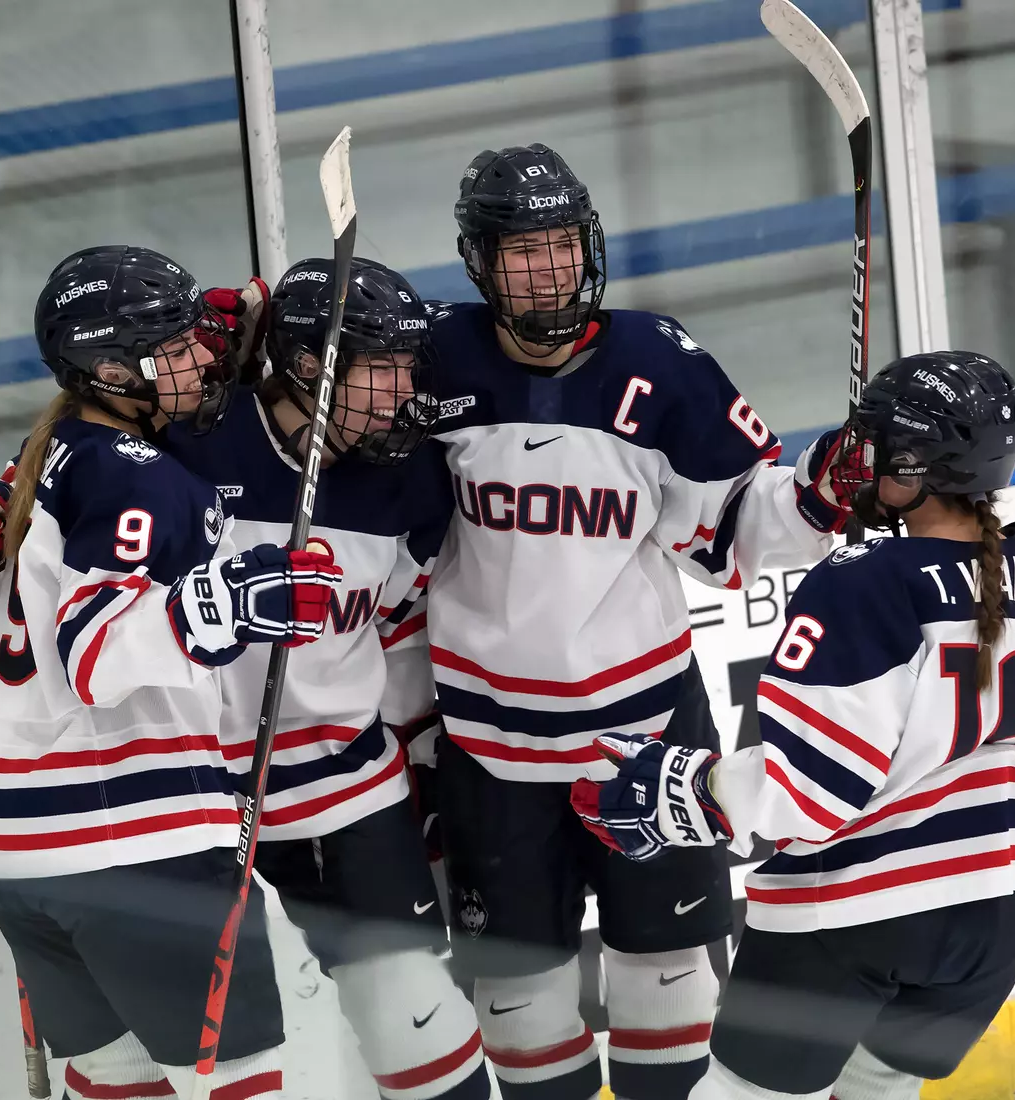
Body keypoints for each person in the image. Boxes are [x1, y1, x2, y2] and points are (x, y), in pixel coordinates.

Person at [0, 254, 489, 1100]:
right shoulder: (189, 431)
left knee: (412, 1020)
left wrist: (423, 760)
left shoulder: (413, 481)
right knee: (165, 1070)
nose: (401, 390)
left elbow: (404, 633)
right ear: (305, 366)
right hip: (181, 794)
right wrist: (3, 501)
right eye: (378, 368)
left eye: (407, 365)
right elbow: (90, 473)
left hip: (331, 787)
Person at [570, 351, 1015, 1100]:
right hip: (1000, 913)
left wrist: (683, 789)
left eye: (875, 445)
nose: (857, 460)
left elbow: (812, 791)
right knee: (878, 1091)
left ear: (917, 465)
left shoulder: (863, 580)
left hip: (855, 912)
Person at [410, 143, 863, 1100]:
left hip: (646, 741)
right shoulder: (430, 358)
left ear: (590, 247)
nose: (549, 270)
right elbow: (317, 431)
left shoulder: (660, 362)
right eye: (522, 252)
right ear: (479, 263)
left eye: (562, 246)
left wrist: (821, 497)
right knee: (518, 1005)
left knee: (668, 986)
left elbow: (734, 527)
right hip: (490, 745)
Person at [0, 245, 342, 1100]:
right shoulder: (140, 479)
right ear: (108, 368)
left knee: (120, 1088)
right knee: (241, 1086)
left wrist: (234, 328)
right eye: (174, 348)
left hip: (15, 850)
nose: (202, 357)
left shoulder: (54, 447)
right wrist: (224, 603)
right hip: (132, 843)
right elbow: (94, 655)